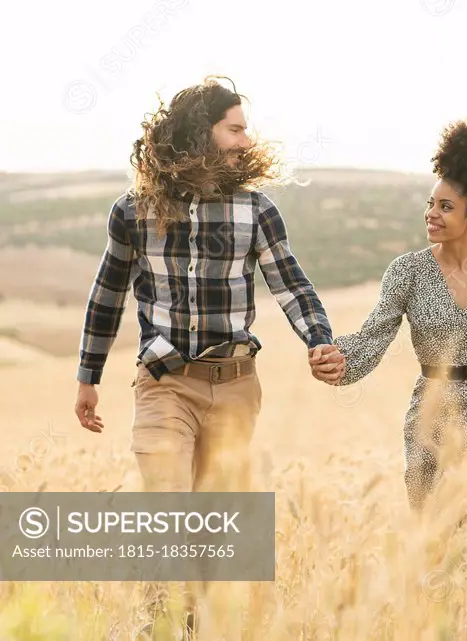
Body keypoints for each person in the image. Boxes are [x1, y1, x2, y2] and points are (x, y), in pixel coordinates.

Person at [72, 76, 344, 638]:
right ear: (201, 133)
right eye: (235, 129)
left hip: (235, 387)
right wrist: (87, 377)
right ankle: (157, 627)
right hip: (163, 383)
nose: (246, 141)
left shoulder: (257, 211)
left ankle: (194, 625)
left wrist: (319, 338)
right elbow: (108, 293)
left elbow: (290, 284)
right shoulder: (133, 212)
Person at [309, 119, 467, 527]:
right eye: (431, 204)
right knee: (440, 530)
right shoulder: (408, 271)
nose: (432, 214)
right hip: (434, 403)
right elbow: (374, 333)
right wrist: (341, 361)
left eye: (446, 207)